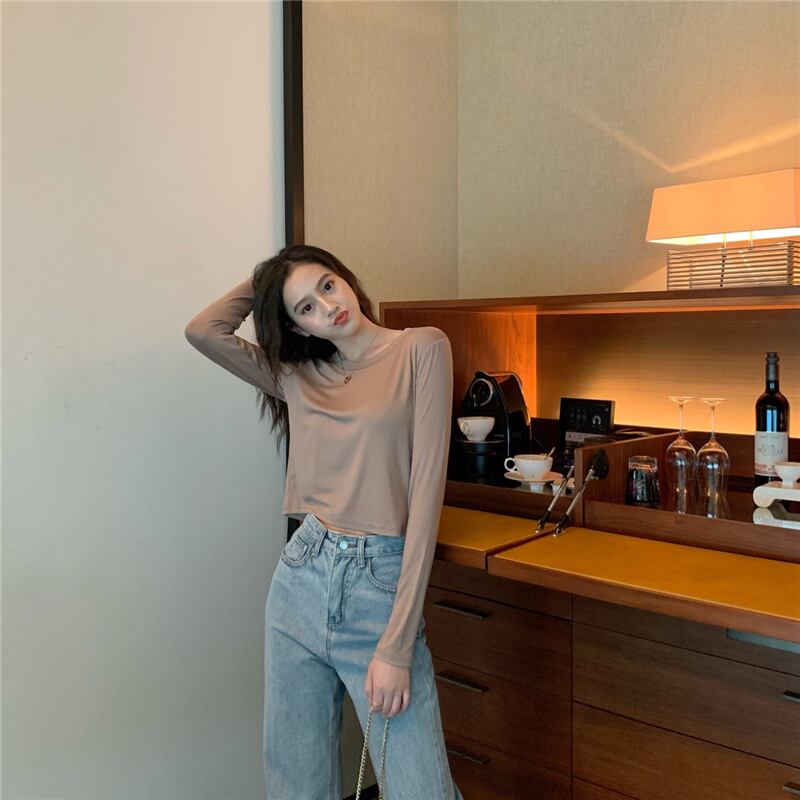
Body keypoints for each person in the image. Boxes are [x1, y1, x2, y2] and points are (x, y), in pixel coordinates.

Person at [184, 244, 464, 800]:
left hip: (379, 582)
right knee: (296, 785)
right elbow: (204, 331)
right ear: (297, 327)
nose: (328, 307)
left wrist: (396, 645)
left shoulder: (421, 347)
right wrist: (270, 281)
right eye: (306, 308)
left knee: (422, 790)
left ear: (346, 279)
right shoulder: (297, 374)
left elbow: (426, 498)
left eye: (327, 286)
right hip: (301, 578)